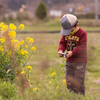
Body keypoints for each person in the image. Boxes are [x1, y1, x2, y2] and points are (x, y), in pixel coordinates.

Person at [58, 14, 87, 96]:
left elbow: (82, 47)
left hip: (80, 62)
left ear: (77, 25)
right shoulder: (66, 34)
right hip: (69, 62)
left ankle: (81, 97)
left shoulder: (82, 33)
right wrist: (60, 50)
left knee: (79, 82)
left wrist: (72, 53)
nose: (68, 33)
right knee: (69, 82)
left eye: (70, 30)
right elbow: (62, 43)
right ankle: (71, 96)